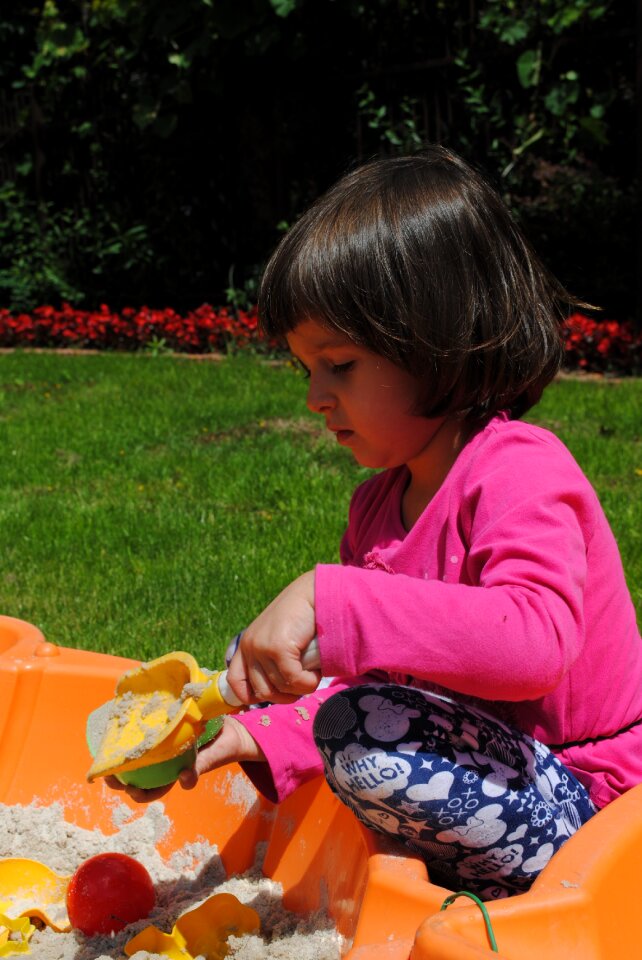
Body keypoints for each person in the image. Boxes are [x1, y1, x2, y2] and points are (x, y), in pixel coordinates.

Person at [183, 146, 642, 899]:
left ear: (438, 342)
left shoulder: (520, 469)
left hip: (595, 807)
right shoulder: (375, 509)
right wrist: (254, 733)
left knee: (359, 723)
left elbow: (535, 641)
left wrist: (334, 600)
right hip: (489, 780)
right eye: (307, 369)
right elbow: (373, 690)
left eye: (340, 364)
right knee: (284, 677)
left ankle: (502, 901)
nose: (315, 398)